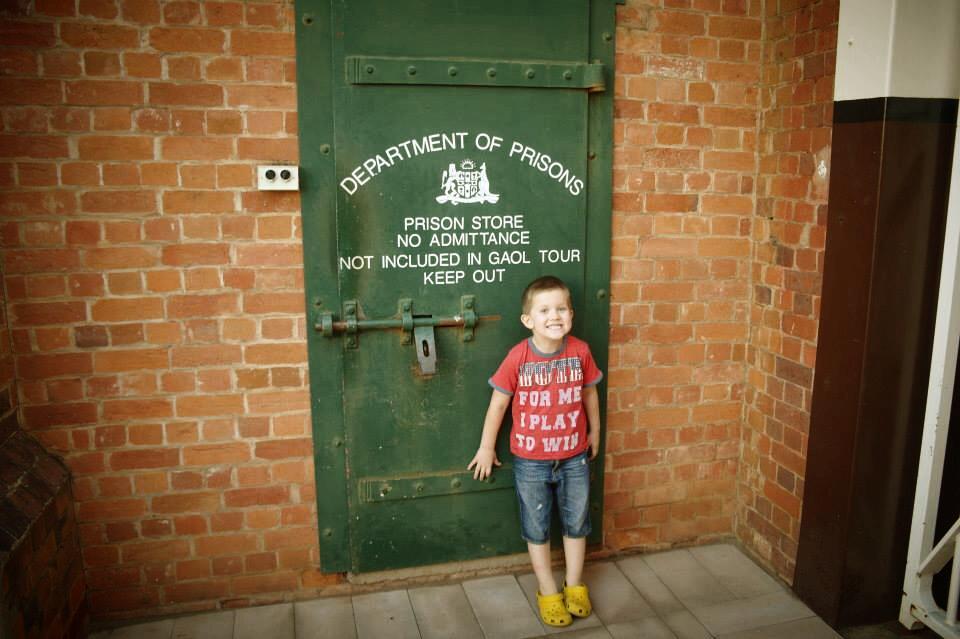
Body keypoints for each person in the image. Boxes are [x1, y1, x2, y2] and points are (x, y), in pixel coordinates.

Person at [467, 275, 603, 628]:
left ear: (571, 314)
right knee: (537, 527)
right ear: (528, 320)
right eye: (544, 310)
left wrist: (595, 431)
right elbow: (498, 405)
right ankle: (547, 589)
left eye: (561, 308)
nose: (554, 316)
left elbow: (590, 393)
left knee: (577, 522)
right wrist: (485, 447)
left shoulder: (580, 352)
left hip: (573, 456)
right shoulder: (518, 357)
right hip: (530, 461)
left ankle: (574, 585)